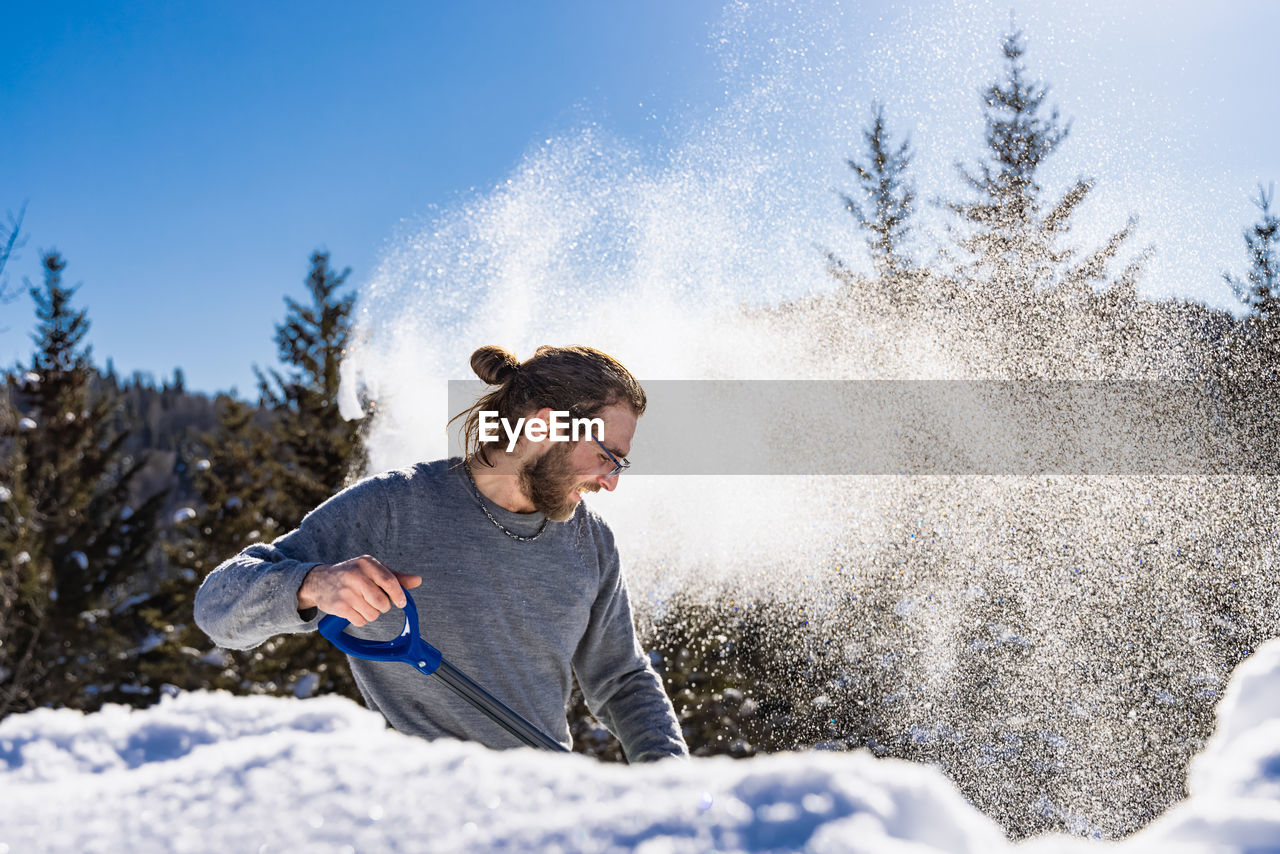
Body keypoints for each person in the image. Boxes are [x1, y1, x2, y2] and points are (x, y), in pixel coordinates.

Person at [193, 344, 688, 762]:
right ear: (541, 428)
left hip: (537, 811)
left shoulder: (592, 542)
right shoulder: (394, 505)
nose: (610, 481)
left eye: (620, 464)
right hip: (417, 814)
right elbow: (216, 607)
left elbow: (621, 680)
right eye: (605, 457)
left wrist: (671, 780)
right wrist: (312, 584)